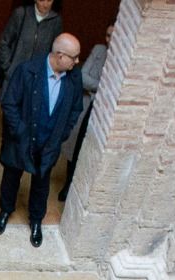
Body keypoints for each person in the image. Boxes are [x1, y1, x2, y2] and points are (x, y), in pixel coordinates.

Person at [0, 32, 82, 248]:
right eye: (74, 57)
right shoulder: (27, 71)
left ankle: (35, 221)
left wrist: (62, 133)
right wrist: (20, 131)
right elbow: (10, 104)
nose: (77, 61)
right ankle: (5, 211)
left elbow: (75, 109)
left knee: (41, 185)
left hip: (49, 144)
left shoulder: (74, 77)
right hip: (21, 140)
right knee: (12, 177)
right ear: (60, 56)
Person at [59, 19, 111, 200]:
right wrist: (102, 87)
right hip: (87, 105)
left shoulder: (124, 58)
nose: (109, 40)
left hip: (103, 112)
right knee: (74, 146)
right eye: (107, 35)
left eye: (113, 36)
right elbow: (82, 76)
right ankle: (67, 184)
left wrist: (94, 86)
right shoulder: (99, 50)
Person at [0, 0, 61, 89]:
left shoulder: (56, 20)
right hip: (14, 76)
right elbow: (4, 43)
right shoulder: (21, 14)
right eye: (41, 0)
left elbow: (55, 51)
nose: (45, 5)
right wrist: (9, 68)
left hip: (38, 78)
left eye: (49, 0)